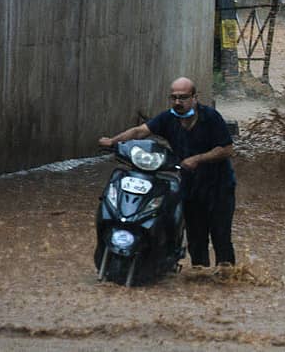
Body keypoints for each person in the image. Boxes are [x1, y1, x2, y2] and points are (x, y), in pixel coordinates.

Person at [98, 77, 236, 267]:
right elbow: (140, 132)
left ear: (195, 98)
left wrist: (197, 159)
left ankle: (226, 281)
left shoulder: (211, 117)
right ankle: (200, 282)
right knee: (196, 239)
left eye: (183, 97)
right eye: (174, 98)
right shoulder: (168, 118)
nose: (178, 102)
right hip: (190, 186)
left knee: (221, 237)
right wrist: (113, 141)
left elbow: (227, 149)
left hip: (219, 187)